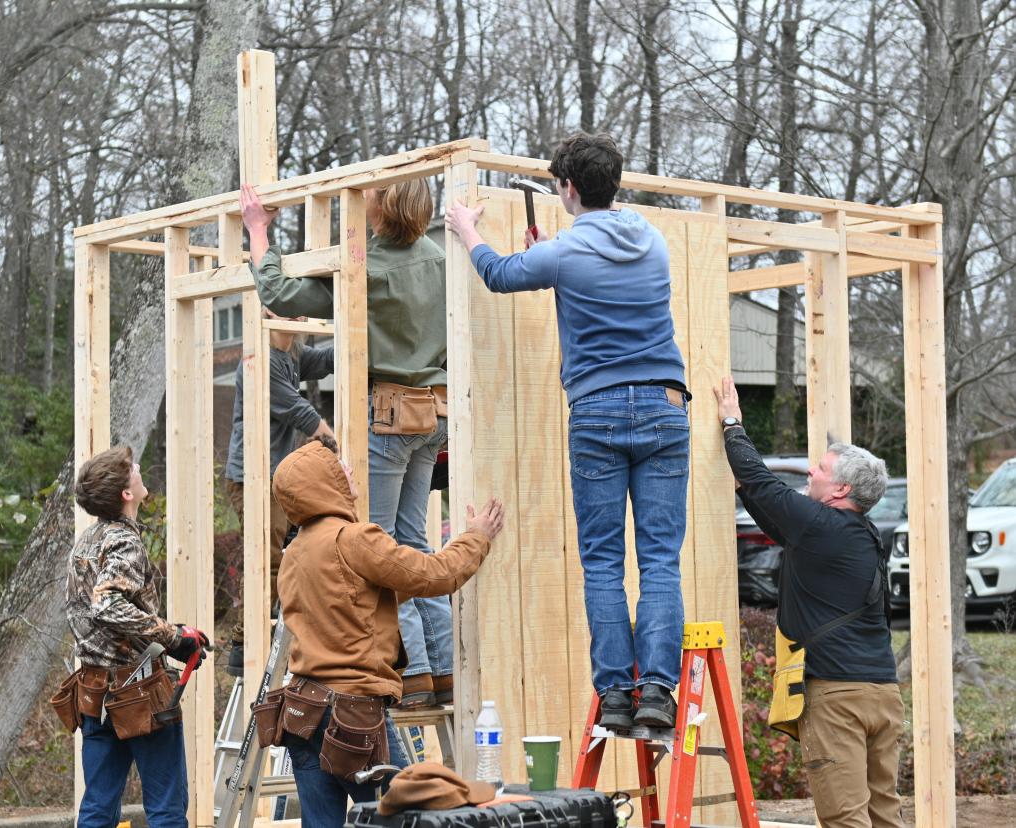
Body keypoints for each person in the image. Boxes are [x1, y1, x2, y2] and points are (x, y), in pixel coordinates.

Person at [444, 132, 689, 727]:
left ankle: (614, 695)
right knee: (659, 559)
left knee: (603, 560)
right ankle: (657, 691)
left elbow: (500, 274)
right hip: (663, 405)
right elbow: (594, 271)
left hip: (599, 410)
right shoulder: (651, 242)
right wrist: (553, 252)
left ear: (570, 188)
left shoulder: (565, 253)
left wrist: (465, 227)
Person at [241, 179, 453, 708]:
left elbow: (279, 295)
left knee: (377, 545)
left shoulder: (366, 266)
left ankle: (417, 672)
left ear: (379, 206)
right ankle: (443, 666)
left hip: (384, 415)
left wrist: (259, 232)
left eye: (368, 195)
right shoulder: (438, 258)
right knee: (414, 542)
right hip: (432, 413)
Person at [265, 435, 504, 828]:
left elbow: (360, 600)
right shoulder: (353, 539)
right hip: (353, 714)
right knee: (406, 818)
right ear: (325, 482)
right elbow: (434, 575)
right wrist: (477, 536)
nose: (349, 471)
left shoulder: (294, 554)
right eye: (339, 467)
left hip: (303, 712)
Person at [714, 376, 902, 828]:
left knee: (845, 820)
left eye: (820, 468)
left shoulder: (819, 525)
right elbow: (770, 508)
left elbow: (761, 479)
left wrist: (731, 423)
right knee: (884, 815)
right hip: (882, 694)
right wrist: (746, 487)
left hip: (837, 698)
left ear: (840, 491)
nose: (810, 472)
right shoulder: (861, 535)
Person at [65, 446, 209, 828]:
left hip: (96, 690)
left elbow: (98, 617)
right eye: (132, 469)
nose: (140, 469)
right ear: (126, 494)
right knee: (166, 809)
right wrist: (174, 637)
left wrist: (169, 636)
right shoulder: (123, 541)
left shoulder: (87, 540)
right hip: (139, 693)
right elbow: (107, 606)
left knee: (97, 808)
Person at [222, 308, 334, 654]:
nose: (298, 315)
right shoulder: (260, 360)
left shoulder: (293, 354)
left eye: (300, 308)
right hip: (251, 476)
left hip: (275, 477)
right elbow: (299, 411)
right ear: (266, 314)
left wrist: (364, 331)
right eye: (288, 309)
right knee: (266, 558)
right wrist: (333, 444)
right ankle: (246, 641)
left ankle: (268, 627)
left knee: (285, 556)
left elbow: (329, 358)